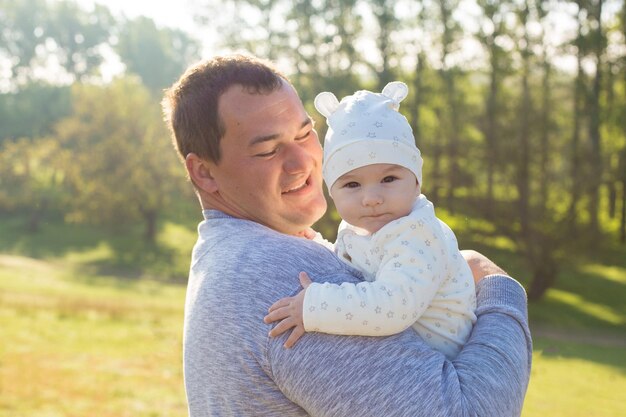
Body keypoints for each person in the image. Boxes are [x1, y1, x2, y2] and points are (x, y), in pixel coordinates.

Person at [162, 53, 532, 416]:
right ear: (205, 173)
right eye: (268, 150)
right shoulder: (285, 277)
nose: (302, 163)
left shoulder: (223, 257)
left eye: (306, 134)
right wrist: (497, 285)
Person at [264, 82, 476, 359]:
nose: (371, 198)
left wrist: (315, 306)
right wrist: (318, 246)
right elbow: (362, 266)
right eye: (352, 185)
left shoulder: (417, 233)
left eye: (388, 179)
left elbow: (392, 305)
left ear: (416, 181)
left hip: (444, 368)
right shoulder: (360, 228)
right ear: (333, 191)